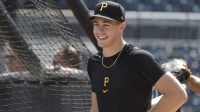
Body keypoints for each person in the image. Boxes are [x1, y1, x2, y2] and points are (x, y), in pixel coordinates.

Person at [87, 1, 187, 112]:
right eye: (96, 24)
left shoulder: (139, 58)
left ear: (122, 26)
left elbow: (178, 95)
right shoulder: (94, 62)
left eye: (106, 25)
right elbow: (95, 108)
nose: (100, 30)